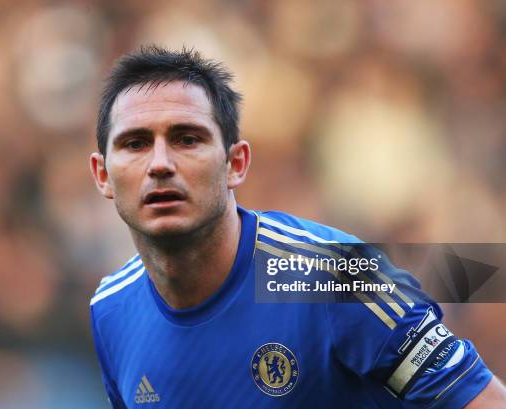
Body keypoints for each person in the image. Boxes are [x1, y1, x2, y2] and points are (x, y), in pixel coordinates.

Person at [88, 46, 506, 408]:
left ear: (236, 164)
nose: (160, 164)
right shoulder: (111, 311)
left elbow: (482, 399)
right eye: (135, 144)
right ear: (102, 174)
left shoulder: (334, 276)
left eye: (187, 139)